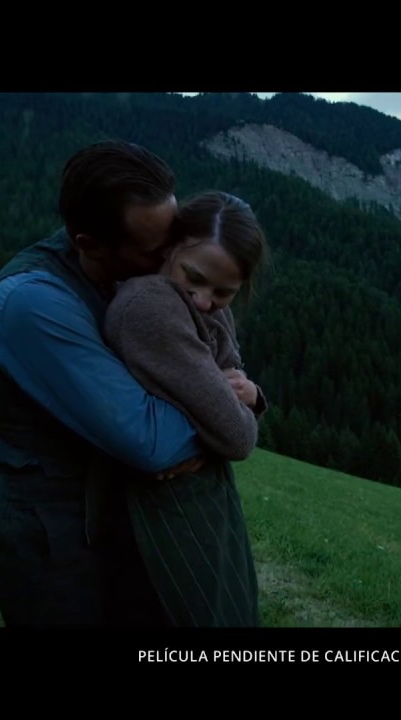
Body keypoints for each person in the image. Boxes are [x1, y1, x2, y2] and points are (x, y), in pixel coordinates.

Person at [0, 139, 213, 628]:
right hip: (51, 543)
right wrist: (225, 415)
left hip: (105, 521)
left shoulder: (119, 269)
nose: (171, 261)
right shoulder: (33, 304)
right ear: (90, 243)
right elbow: (152, 442)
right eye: (155, 251)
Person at [103, 190, 270, 627]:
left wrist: (250, 395)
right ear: (170, 247)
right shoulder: (152, 304)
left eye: (224, 292)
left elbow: (233, 376)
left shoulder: (203, 309)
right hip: (166, 505)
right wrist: (233, 413)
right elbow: (237, 436)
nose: (203, 300)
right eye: (193, 277)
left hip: (201, 494)